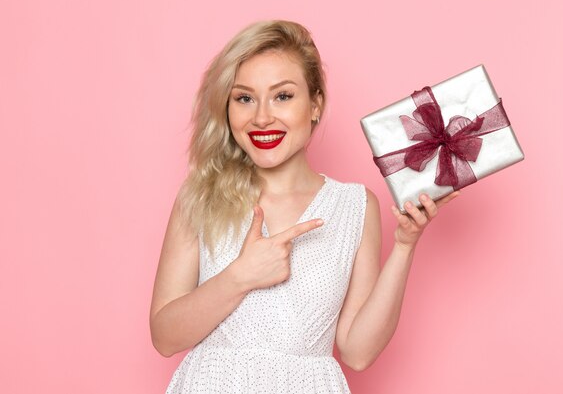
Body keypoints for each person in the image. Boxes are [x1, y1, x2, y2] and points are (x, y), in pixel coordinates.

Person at [149, 20, 460, 393]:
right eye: (244, 98)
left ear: (315, 105)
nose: (262, 117)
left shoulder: (355, 205)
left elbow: (357, 352)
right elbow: (165, 337)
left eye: (283, 96)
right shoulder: (199, 196)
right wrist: (241, 276)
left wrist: (406, 245)